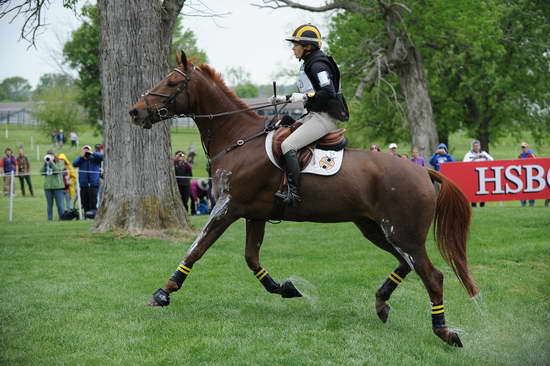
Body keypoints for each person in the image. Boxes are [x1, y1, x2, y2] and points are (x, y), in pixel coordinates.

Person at [268, 24, 349, 206]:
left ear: (307, 46)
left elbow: (328, 91)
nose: (293, 48)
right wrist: (283, 98)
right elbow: (311, 94)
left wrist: (303, 96)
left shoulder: (318, 65)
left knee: (288, 145)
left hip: (324, 118)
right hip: (313, 115)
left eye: (296, 44)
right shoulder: (308, 64)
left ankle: (295, 194)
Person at [73, 145, 103, 217]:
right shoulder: (81, 159)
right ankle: (87, 216)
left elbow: (103, 157)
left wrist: (92, 153)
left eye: (87, 150)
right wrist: (81, 156)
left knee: (94, 201)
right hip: (84, 184)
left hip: (94, 184)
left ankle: (94, 216)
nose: (86, 151)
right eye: (84, 150)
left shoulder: (95, 159)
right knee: (84, 201)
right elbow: (74, 164)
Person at [463, 140, 494, 207]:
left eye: (477, 146)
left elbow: (492, 160)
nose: (476, 147)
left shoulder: (484, 153)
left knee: (482, 191)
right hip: (472, 176)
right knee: (473, 190)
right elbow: (464, 163)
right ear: (472, 147)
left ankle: (482, 205)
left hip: (483, 176)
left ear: (480, 147)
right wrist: (474, 158)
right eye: (475, 146)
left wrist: (485, 157)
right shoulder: (469, 154)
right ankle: (474, 205)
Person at [41, 153, 65, 220]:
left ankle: (62, 218)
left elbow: (58, 170)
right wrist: (45, 164)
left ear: (54, 156)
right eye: (48, 156)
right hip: (48, 188)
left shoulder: (60, 162)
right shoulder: (46, 164)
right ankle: (50, 219)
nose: (49, 158)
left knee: (60, 205)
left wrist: (52, 163)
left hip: (58, 187)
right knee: (49, 205)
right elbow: (41, 172)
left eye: (51, 156)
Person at [518, 142, 536, 207]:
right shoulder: (520, 155)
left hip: (531, 175)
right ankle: (523, 204)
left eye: (524, 147)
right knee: (522, 189)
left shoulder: (531, 154)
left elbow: (536, 161)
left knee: (531, 190)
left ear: (527, 147)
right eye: (522, 147)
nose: (523, 148)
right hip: (523, 175)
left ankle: (531, 203)